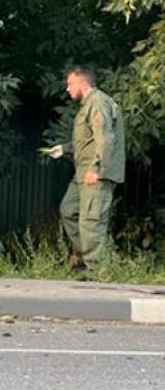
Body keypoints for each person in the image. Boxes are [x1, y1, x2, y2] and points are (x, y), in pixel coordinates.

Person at [44, 66, 125, 274]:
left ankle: (96, 273)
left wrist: (96, 169)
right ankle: (83, 259)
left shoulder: (97, 103)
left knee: (91, 221)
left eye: (70, 84)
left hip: (95, 174)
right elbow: (87, 141)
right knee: (68, 210)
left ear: (82, 82)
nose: (67, 89)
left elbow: (105, 139)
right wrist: (63, 149)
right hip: (82, 173)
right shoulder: (87, 105)